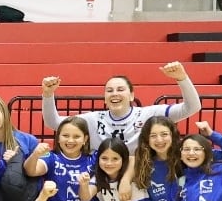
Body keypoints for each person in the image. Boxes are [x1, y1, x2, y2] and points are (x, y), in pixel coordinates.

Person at [42, 62, 201, 148]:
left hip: (138, 176)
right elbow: (53, 123)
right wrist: (48, 95)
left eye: (120, 89)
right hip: (102, 178)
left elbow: (192, 107)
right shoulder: (92, 119)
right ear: (104, 98)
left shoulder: (148, 115)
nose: (115, 94)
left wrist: (182, 78)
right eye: (109, 90)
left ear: (131, 95)